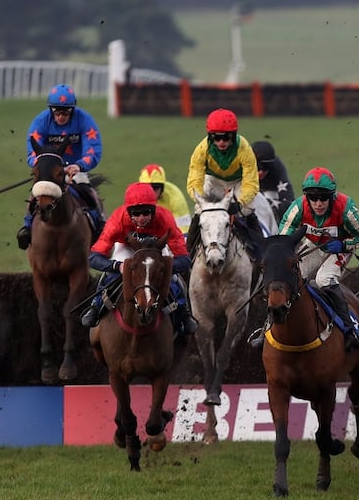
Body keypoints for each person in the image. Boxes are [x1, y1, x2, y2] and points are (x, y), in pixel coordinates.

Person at [268, 167, 359, 350]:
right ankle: (267, 329)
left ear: (332, 196)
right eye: (313, 198)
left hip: (339, 247)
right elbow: (282, 241)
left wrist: (344, 245)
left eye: (324, 198)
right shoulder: (297, 208)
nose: (318, 203)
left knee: (324, 279)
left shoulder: (346, 209)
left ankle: (349, 329)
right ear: (306, 197)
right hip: (312, 245)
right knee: (292, 278)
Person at [79, 182, 197, 335]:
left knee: (175, 279)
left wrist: (163, 266)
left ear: (154, 210)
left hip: (157, 251)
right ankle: (95, 307)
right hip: (127, 249)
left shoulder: (165, 218)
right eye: (135, 213)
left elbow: (184, 258)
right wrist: (117, 266)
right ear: (128, 211)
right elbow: (94, 256)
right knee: (108, 276)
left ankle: (184, 312)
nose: (141, 218)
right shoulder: (117, 219)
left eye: (146, 212)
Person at [17, 84, 105, 250]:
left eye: (65, 112)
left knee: (88, 192)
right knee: (36, 194)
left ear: (72, 110)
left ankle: (100, 225)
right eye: (57, 111)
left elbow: (93, 149)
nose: (61, 116)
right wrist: (44, 167)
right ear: (51, 110)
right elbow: (32, 152)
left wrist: (79, 165)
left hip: (75, 168)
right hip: (50, 170)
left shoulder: (85, 120)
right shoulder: (40, 122)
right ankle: (27, 227)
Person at [185, 108, 273, 257]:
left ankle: (261, 252)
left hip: (238, 182)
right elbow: (195, 181)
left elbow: (251, 182)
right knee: (200, 209)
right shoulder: (202, 149)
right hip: (213, 181)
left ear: (233, 135)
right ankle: (188, 252)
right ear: (210, 137)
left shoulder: (244, 148)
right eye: (216, 138)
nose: (221, 142)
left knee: (248, 209)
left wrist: (239, 203)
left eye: (226, 138)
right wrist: (202, 201)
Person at [138, 163, 192, 235]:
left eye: (155, 188)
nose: (150, 192)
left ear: (162, 187)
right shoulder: (134, 196)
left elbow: (184, 231)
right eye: (147, 188)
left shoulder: (175, 197)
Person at [251, 140, 296, 221]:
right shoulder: (242, 165)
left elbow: (288, 201)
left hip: (271, 193)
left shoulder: (277, 167)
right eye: (257, 166)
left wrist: (270, 205)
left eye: (266, 166)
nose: (261, 172)